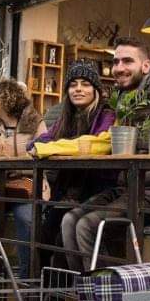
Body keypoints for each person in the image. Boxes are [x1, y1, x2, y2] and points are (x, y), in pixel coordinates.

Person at [61, 38, 150, 265]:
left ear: (146, 66)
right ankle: (84, 290)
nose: (119, 68)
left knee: (86, 226)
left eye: (127, 61)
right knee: (69, 220)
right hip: (126, 185)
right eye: (116, 61)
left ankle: (106, 293)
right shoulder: (122, 97)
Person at [29, 60, 115, 271]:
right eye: (73, 84)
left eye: (85, 84)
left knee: (58, 238)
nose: (78, 89)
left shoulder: (106, 115)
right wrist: (59, 146)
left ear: (96, 90)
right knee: (43, 241)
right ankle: (51, 299)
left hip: (97, 190)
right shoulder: (65, 118)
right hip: (66, 192)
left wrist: (54, 147)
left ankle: (77, 292)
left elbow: (96, 145)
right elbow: (36, 143)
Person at [0, 80, 41, 276]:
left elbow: (45, 153)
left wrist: (11, 160)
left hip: (28, 187)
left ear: (5, 100)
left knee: (26, 219)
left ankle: (25, 277)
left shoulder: (34, 122)